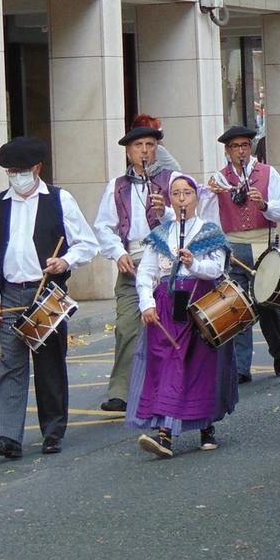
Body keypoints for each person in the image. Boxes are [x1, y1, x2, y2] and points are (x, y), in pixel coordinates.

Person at [0, 136, 99, 459]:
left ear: (38, 169)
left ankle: (53, 432)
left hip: (47, 293)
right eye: (11, 171)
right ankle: (7, 437)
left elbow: (87, 243)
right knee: (10, 365)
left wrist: (65, 261)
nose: (17, 176)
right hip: (11, 294)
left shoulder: (60, 200)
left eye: (22, 170)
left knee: (50, 365)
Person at [128, 174, 235, 458]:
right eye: (176, 194)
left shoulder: (209, 232)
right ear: (170, 200)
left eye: (187, 193)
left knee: (201, 365)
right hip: (167, 304)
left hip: (201, 303)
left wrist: (194, 263)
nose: (181, 199)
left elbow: (218, 269)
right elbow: (147, 272)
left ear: (196, 197)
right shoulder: (161, 236)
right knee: (168, 364)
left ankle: (206, 425)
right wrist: (146, 304)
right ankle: (164, 433)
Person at [92, 126, 172, 412]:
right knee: (127, 327)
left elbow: (188, 219)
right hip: (132, 264)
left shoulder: (170, 180)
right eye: (138, 145)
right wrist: (117, 252)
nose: (145, 150)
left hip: (165, 265)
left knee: (166, 326)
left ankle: (167, 386)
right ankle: (121, 392)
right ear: (129, 151)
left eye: (150, 144)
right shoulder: (116, 186)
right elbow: (103, 226)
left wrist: (166, 212)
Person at [208, 125, 280, 383]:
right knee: (237, 307)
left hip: (263, 244)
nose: (241, 151)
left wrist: (264, 204)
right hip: (234, 248)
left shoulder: (268, 173)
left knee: (268, 306)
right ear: (227, 151)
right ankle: (241, 367)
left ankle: (279, 352)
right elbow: (211, 218)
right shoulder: (219, 180)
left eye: (244, 146)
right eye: (235, 147)